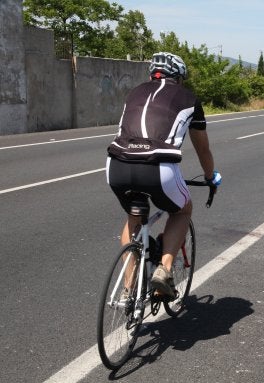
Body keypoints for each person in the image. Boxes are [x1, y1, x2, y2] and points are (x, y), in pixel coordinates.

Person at [106, 52, 221, 300]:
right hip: (158, 167)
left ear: (152, 73)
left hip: (116, 164)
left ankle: (128, 290)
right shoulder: (189, 98)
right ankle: (164, 271)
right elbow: (203, 148)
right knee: (182, 211)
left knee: (133, 218)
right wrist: (210, 176)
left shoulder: (134, 92)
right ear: (179, 78)